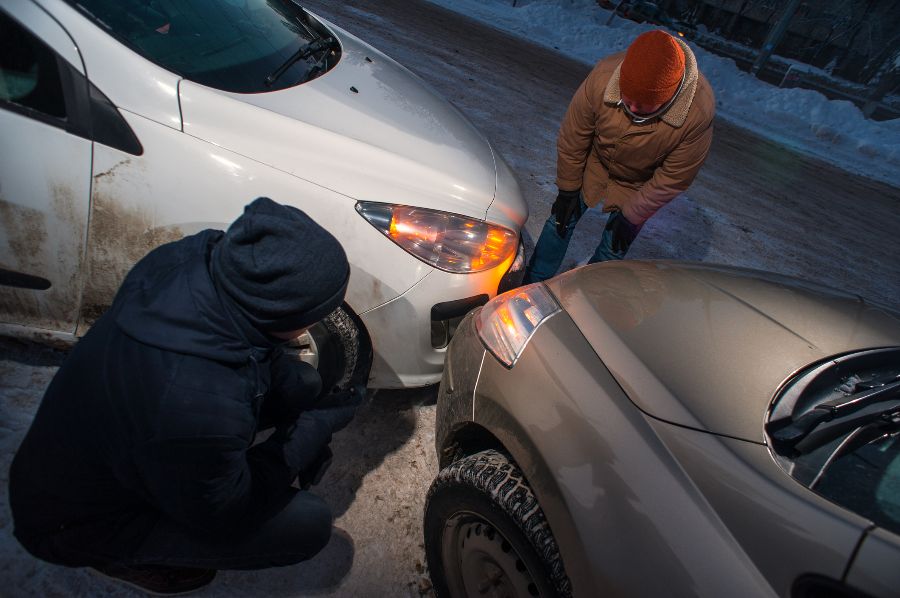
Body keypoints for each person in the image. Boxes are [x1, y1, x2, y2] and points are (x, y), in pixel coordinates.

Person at [9, 197, 363, 595]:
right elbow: (226, 510)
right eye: (318, 310)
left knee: (302, 384)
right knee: (307, 524)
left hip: (104, 446)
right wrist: (306, 434)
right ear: (280, 315)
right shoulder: (195, 402)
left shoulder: (195, 262)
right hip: (75, 519)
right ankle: (122, 557)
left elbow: (254, 353)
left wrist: (299, 411)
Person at [523, 29, 715, 283]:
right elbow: (574, 135)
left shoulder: (696, 111)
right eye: (628, 99)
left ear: (667, 97)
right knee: (559, 221)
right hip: (596, 161)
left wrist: (632, 215)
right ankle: (531, 284)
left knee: (613, 247)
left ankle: (586, 299)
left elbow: (674, 177)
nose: (633, 108)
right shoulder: (604, 75)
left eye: (645, 105)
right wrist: (568, 189)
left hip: (640, 183)